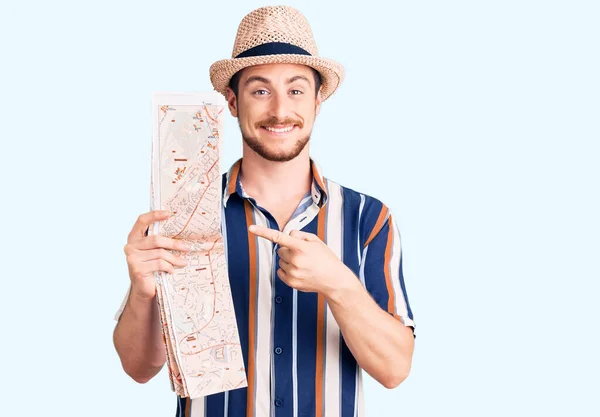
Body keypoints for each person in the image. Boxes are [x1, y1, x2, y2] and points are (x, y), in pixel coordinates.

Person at [113, 5, 415, 417]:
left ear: (317, 101)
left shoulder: (368, 219)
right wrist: (144, 294)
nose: (279, 110)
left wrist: (338, 285)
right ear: (233, 103)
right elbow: (138, 367)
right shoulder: (181, 216)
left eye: (295, 90)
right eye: (260, 90)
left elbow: (395, 370)